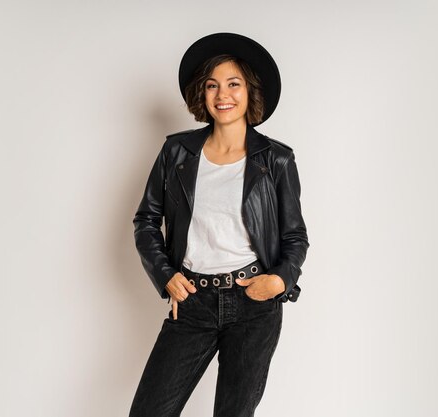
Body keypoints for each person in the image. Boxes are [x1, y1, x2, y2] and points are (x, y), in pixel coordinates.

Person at [129, 33, 309, 417]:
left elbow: (295, 236)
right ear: (202, 94)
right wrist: (165, 275)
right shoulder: (177, 152)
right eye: (213, 85)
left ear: (249, 92)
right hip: (192, 302)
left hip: (253, 304)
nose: (222, 94)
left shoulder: (276, 160)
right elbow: (146, 221)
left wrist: (279, 280)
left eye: (233, 84)